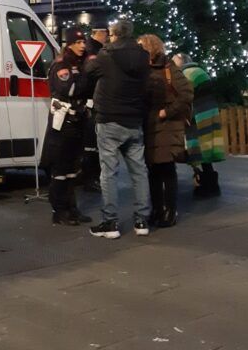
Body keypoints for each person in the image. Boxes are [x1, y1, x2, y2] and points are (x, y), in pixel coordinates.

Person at [80, 18, 151, 238]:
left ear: (115, 34)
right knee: (139, 172)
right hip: (134, 119)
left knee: (108, 173)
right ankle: (142, 220)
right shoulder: (143, 56)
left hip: (109, 119)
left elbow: (88, 71)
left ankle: (110, 222)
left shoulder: (106, 56)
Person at [139, 35, 193, 228]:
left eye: (142, 47)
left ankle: (169, 211)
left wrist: (168, 111)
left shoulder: (169, 68)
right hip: (150, 124)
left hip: (167, 124)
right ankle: (157, 209)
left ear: (151, 49)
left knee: (167, 168)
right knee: (153, 169)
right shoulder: (143, 69)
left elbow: (186, 92)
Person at [42, 28, 92, 226]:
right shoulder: (62, 65)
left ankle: (72, 208)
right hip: (63, 124)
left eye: (83, 42)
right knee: (60, 169)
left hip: (78, 121)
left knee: (73, 169)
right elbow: (69, 88)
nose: (82, 46)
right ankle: (59, 210)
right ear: (70, 44)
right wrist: (85, 81)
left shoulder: (79, 65)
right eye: (78, 43)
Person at [172, 53, 225, 198]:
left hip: (197, 116)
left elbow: (184, 96)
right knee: (206, 149)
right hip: (209, 113)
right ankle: (211, 184)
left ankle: (205, 185)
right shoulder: (200, 71)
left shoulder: (186, 74)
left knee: (197, 150)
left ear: (181, 63)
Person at [79, 28, 109, 192]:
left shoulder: (95, 49)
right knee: (92, 145)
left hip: (93, 101)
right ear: (98, 33)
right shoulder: (94, 50)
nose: (107, 37)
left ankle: (92, 177)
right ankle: (91, 178)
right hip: (92, 102)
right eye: (105, 33)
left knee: (93, 145)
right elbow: (92, 74)